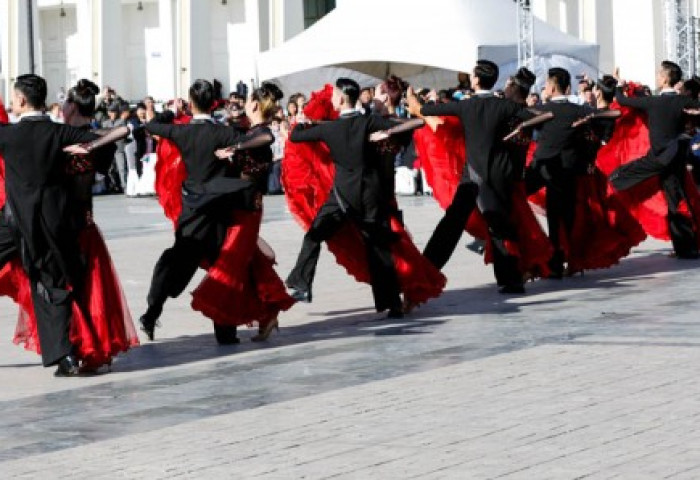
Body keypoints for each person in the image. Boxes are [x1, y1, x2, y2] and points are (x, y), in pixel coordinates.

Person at [139, 79, 282, 343]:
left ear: (191, 103)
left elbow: (149, 125)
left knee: (176, 261)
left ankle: (152, 311)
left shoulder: (182, 132)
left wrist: (170, 112)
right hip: (220, 212)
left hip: (193, 211)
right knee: (223, 269)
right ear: (214, 102)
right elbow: (263, 136)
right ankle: (226, 332)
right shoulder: (223, 133)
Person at [0, 75, 125, 376]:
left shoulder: (9, 135)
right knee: (52, 285)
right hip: (52, 225)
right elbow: (122, 129)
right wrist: (90, 144)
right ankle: (65, 357)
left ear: (19, 101)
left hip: (15, 223)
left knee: (45, 283)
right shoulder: (57, 133)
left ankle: (66, 353)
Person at [408, 61, 551, 293]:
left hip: (473, 178)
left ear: (475, 80)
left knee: (455, 225)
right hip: (498, 176)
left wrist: (414, 101)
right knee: (499, 227)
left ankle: (428, 269)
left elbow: (428, 112)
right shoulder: (504, 106)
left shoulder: (467, 106)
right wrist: (522, 125)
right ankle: (510, 280)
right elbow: (545, 115)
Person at [285, 78, 423, 317]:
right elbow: (416, 122)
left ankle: (301, 283)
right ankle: (391, 303)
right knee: (378, 248)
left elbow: (296, 136)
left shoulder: (330, 128)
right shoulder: (367, 122)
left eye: (334, 95)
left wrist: (301, 122)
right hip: (369, 193)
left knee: (314, 235)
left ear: (340, 98)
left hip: (341, 195)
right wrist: (386, 131)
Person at [608, 61, 700, 258]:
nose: (657, 77)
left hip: (659, 158)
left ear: (665, 79)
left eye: (659, 75)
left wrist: (618, 84)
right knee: (674, 200)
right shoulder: (681, 102)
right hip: (674, 158)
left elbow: (622, 100)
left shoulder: (655, 102)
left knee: (619, 176)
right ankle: (686, 247)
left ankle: (610, 192)